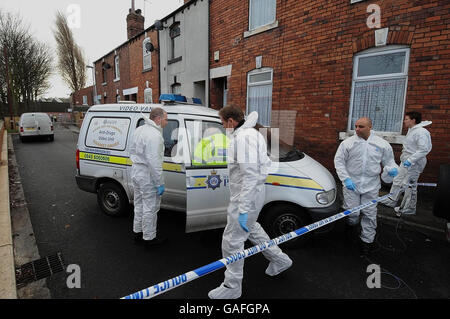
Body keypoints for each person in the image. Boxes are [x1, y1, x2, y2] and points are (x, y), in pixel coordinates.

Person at [208, 106, 293, 299]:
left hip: (245, 197)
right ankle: (280, 259)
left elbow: (251, 175)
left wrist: (244, 207)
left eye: (222, 122)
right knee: (252, 228)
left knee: (232, 241)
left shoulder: (243, 138)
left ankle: (232, 287)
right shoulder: (250, 134)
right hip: (252, 195)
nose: (222, 126)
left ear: (231, 121)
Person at [334, 117, 399, 256]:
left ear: (370, 127)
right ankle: (350, 227)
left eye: (361, 126)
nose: (357, 129)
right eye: (356, 126)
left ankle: (366, 242)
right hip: (352, 184)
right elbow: (339, 162)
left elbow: (389, 162)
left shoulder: (382, 144)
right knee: (353, 212)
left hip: (371, 185)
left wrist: (392, 168)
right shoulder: (348, 143)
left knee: (369, 214)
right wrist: (346, 179)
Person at [129, 108, 168, 247]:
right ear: (158, 119)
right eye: (165, 119)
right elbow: (154, 162)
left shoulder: (139, 130)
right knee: (150, 208)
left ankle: (137, 232)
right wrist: (159, 183)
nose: (166, 122)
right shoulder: (154, 136)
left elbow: (132, 150)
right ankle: (149, 239)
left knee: (139, 204)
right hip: (147, 175)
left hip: (136, 171)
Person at [382, 112, 432, 217]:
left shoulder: (421, 132)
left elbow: (424, 149)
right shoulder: (412, 130)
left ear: (413, 120)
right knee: (398, 180)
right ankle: (392, 200)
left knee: (409, 186)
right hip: (406, 162)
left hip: (415, 163)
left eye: (406, 119)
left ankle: (409, 208)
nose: (404, 121)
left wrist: (411, 160)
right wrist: (406, 161)